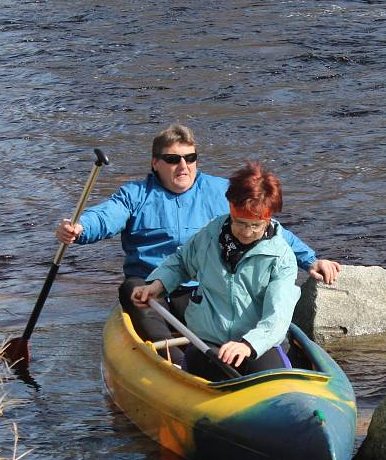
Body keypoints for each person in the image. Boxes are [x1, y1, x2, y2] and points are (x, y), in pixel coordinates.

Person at [55, 124, 340, 364]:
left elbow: (271, 229)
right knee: (132, 290)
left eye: (190, 158)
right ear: (156, 163)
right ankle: (172, 362)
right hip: (149, 284)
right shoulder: (135, 194)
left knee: (195, 308)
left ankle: (206, 353)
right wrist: (80, 229)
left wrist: (310, 260)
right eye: (173, 159)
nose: (183, 166)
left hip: (197, 286)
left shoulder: (220, 191)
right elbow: (106, 216)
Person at [131, 161, 298, 380]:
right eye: (240, 223)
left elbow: (278, 315)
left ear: (268, 219)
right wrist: (158, 284)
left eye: (255, 225)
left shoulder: (282, 258)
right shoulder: (211, 234)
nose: (247, 232)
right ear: (230, 209)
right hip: (208, 342)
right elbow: (182, 262)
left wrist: (248, 345)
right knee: (205, 371)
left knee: (276, 381)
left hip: (258, 344)